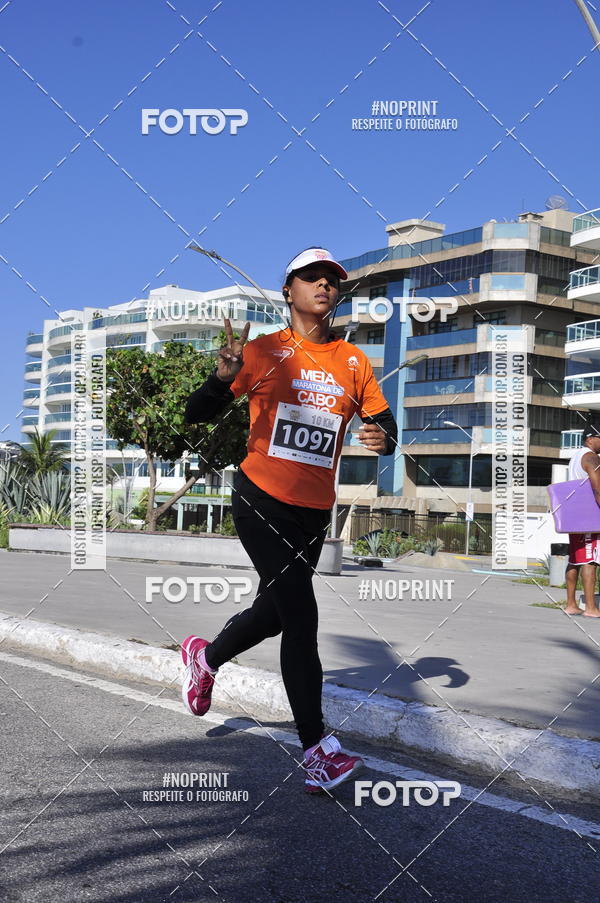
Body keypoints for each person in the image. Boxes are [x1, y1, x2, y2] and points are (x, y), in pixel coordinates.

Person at [182, 246, 398, 792]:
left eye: (331, 279)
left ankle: (205, 657)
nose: (323, 285)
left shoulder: (354, 361)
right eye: (311, 277)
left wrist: (382, 438)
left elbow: (385, 430)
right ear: (289, 290)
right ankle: (317, 749)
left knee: (276, 612)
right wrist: (221, 377)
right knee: (301, 615)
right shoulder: (261, 351)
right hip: (260, 497)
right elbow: (196, 416)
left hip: (313, 511)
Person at [564, 426, 600, 618]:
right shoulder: (591, 457)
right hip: (588, 517)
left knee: (574, 559)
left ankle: (571, 604)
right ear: (591, 439)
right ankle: (591, 608)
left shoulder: (576, 456)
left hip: (575, 516)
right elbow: (598, 489)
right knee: (589, 560)